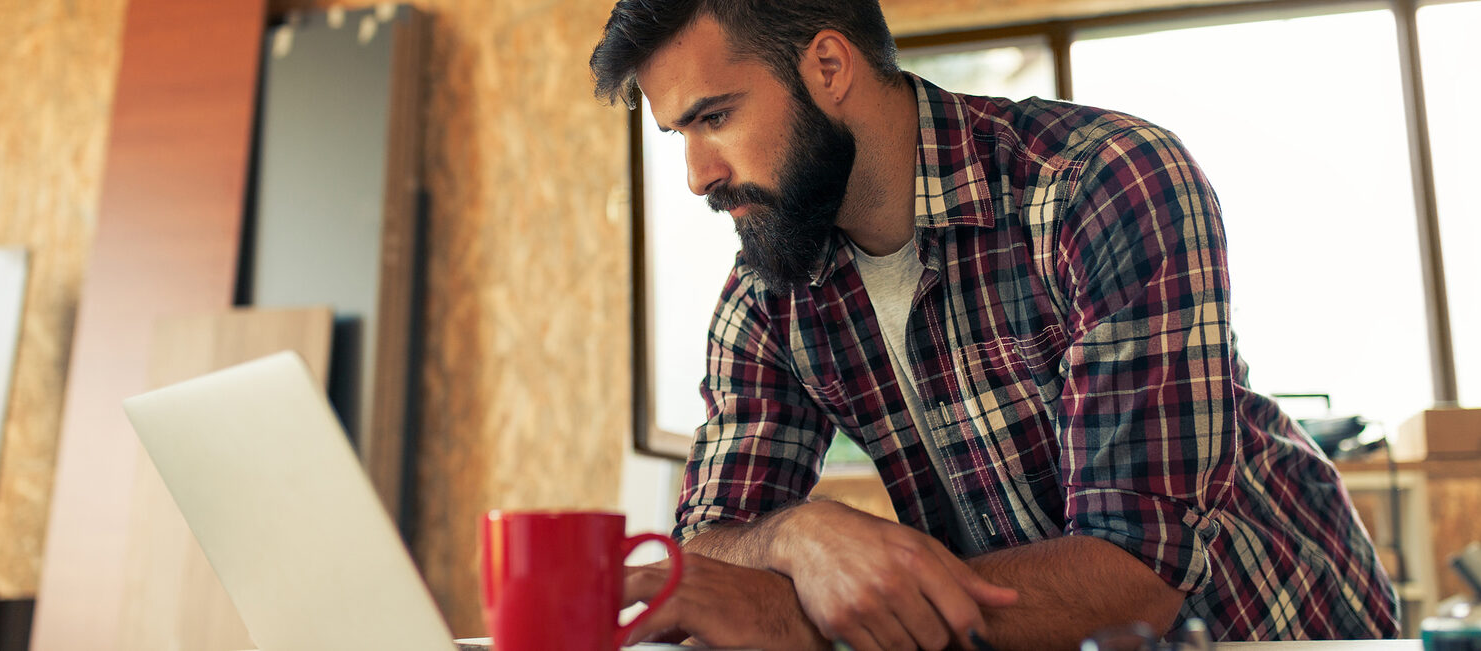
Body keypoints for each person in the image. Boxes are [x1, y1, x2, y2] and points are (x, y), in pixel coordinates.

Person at [590, 1, 1400, 649]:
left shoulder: (1102, 182)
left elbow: (1137, 575)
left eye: (715, 118)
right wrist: (798, 537)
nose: (698, 176)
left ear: (828, 67)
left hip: (1273, 627)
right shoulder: (767, 295)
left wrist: (803, 623)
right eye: (679, 136)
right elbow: (703, 551)